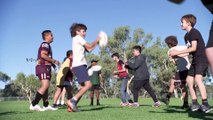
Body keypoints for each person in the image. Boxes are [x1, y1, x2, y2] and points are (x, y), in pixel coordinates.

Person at [169, 14, 212, 113]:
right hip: (195, 60)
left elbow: (194, 48)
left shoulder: (194, 32)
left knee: (198, 79)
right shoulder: (186, 36)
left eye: (182, 22)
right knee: (188, 80)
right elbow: (189, 51)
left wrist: (177, 52)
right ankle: (195, 103)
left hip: (202, 58)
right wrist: (177, 56)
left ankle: (205, 104)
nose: (180, 24)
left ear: (188, 23)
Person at [66, 23, 101, 112]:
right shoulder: (78, 38)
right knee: (89, 84)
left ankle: (72, 106)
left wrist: (96, 43)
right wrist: (96, 39)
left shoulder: (77, 40)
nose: (85, 33)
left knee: (82, 87)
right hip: (79, 65)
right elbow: (89, 45)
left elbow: (89, 49)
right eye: (83, 31)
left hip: (79, 65)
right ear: (77, 32)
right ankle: (72, 101)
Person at [30, 30, 60, 111]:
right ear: (46, 36)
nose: (53, 37)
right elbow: (43, 55)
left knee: (46, 87)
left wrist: (52, 64)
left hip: (45, 67)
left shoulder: (48, 46)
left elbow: (46, 57)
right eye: (51, 35)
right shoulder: (45, 44)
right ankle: (33, 104)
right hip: (42, 67)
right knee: (45, 85)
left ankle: (46, 105)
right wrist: (54, 61)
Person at [162, 35, 190, 109]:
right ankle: (184, 103)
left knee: (180, 86)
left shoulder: (170, 50)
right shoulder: (183, 47)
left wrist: (172, 60)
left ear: (169, 44)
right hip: (186, 68)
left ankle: (168, 98)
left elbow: (175, 60)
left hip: (183, 69)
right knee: (174, 82)